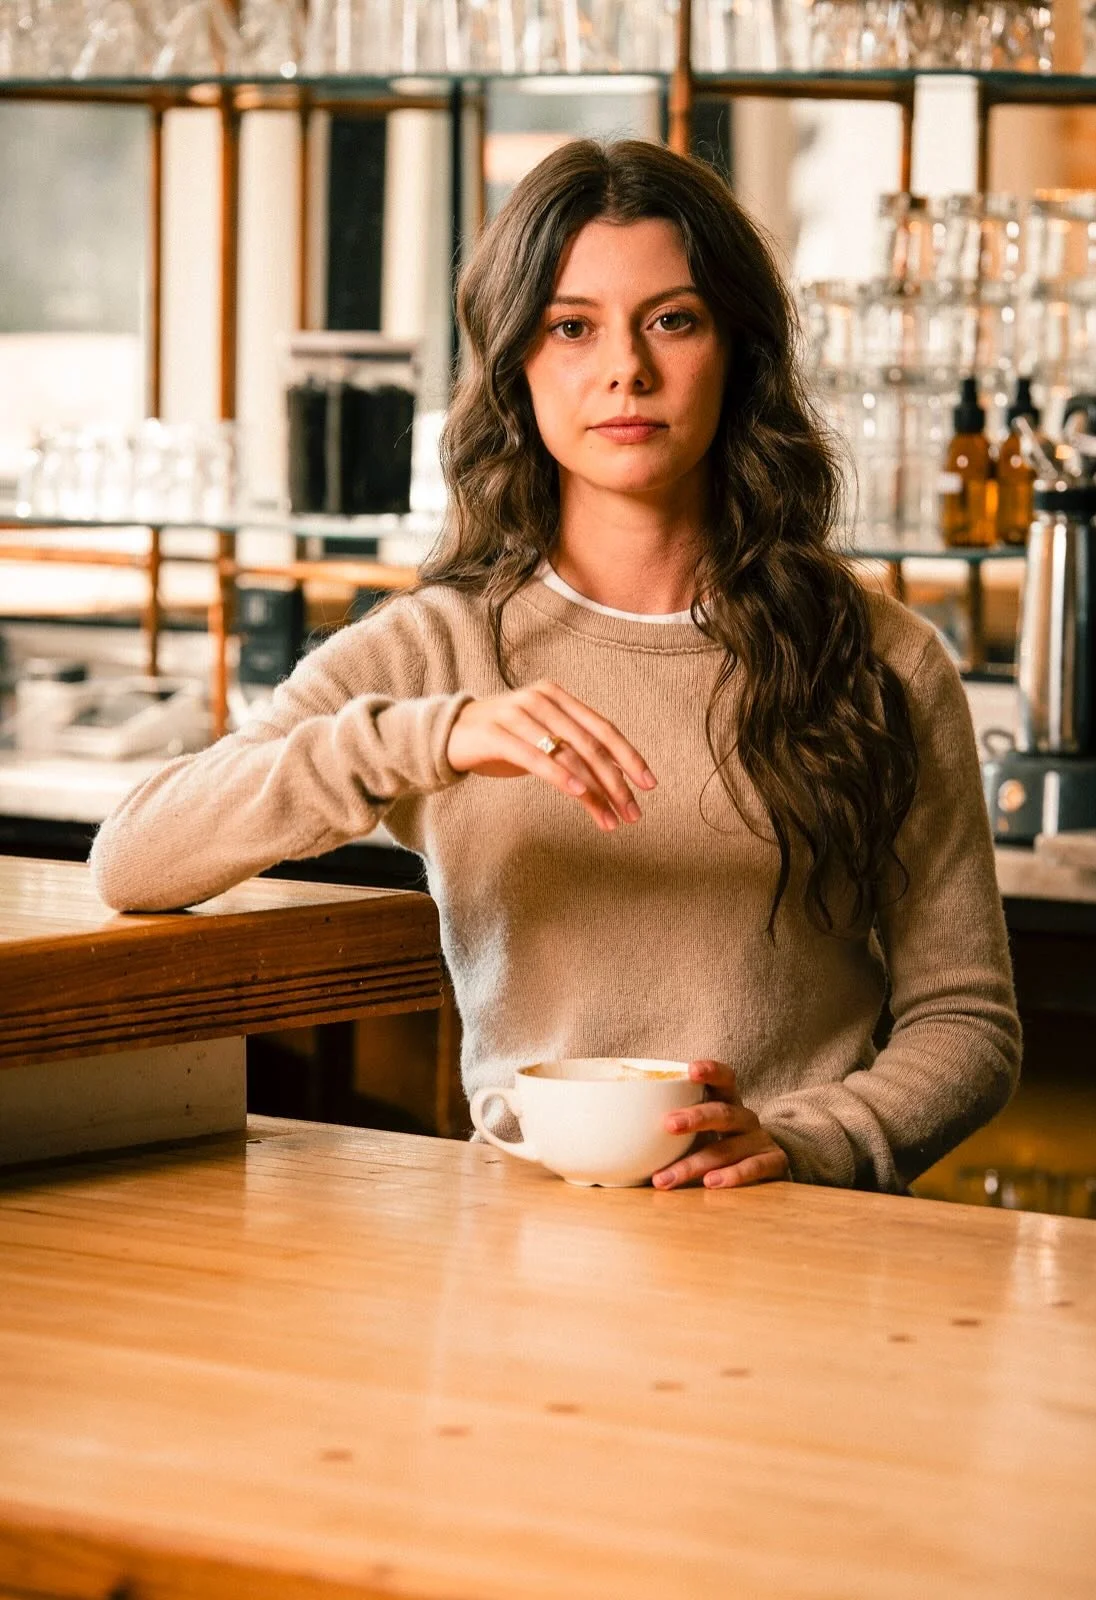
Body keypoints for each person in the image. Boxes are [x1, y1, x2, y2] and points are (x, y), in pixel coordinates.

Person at [91, 138, 1021, 1193]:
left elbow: (968, 1022)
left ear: (738, 351)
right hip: (516, 1252)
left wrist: (809, 1141)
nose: (625, 367)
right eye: (570, 328)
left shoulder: (884, 659)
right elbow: (135, 855)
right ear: (515, 366)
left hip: (803, 1238)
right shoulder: (432, 650)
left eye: (672, 320)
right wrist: (429, 738)